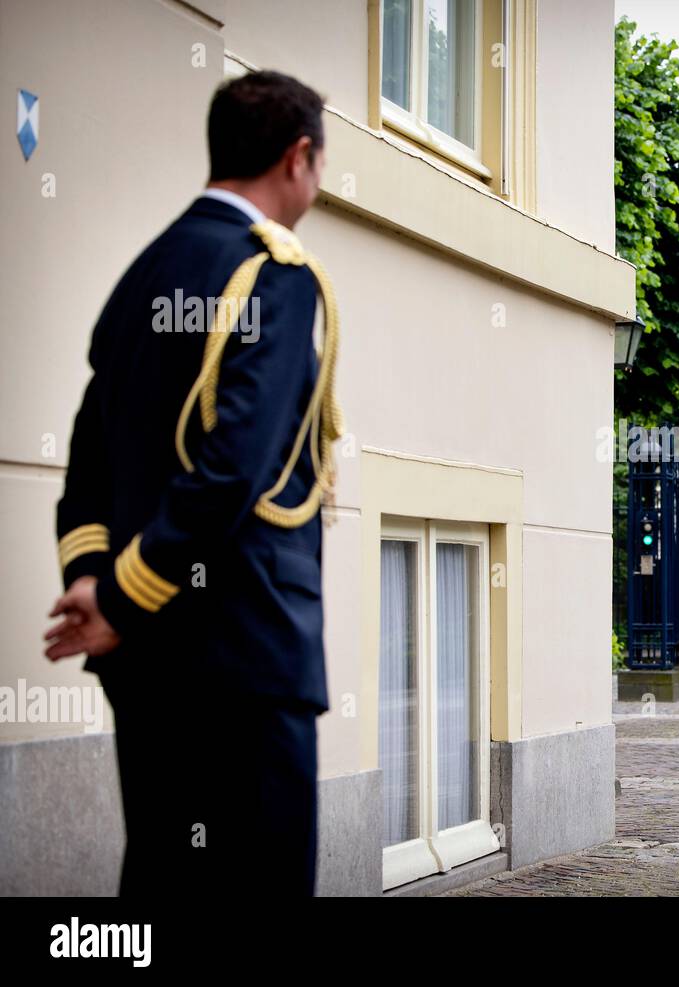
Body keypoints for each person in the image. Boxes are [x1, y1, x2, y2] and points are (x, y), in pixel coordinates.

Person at [43, 69, 343, 896]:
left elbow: (86, 461)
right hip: (246, 650)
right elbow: (233, 471)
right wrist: (125, 598)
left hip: (144, 663)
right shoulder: (272, 273)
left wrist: (95, 587)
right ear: (299, 156)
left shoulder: (144, 272)